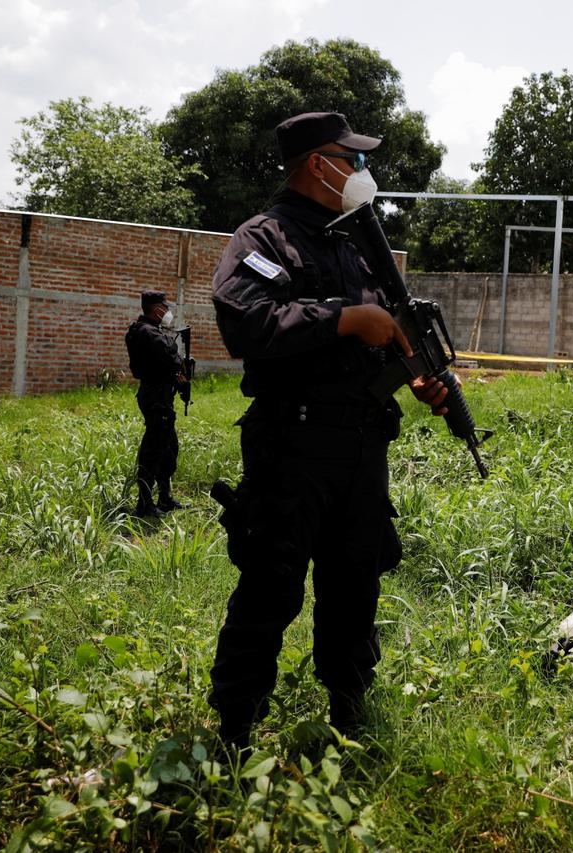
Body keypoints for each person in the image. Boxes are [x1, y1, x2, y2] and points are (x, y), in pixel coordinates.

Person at [207, 111, 452, 752]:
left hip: (362, 446)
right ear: (321, 163)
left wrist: (415, 375)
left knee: (355, 583)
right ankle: (234, 730)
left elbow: (381, 338)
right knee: (271, 586)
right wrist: (345, 318)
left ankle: (348, 711)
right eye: (354, 158)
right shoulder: (265, 237)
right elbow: (246, 324)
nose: (364, 171)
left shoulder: (355, 242)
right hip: (293, 446)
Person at [124, 290, 187, 518]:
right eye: (165, 307)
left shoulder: (138, 330)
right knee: (153, 450)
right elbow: (173, 359)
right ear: (157, 308)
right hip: (156, 397)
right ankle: (144, 504)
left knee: (169, 448)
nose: (167, 312)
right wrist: (178, 366)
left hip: (157, 395)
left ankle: (165, 498)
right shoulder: (149, 334)